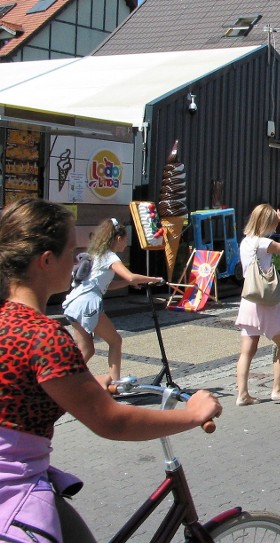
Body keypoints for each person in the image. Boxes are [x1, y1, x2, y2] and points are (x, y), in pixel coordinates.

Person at [0, 199, 221, 542]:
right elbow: (112, 422)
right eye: (70, 251)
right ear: (45, 261)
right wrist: (192, 415)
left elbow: (15, 401)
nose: (76, 260)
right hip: (13, 492)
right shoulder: (43, 337)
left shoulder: (7, 320)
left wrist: (85, 388)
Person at [62, 217, 163, 386]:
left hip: (74, 303)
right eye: (125, 240)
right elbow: (130, 275)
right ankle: (115, 382)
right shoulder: (110, 257)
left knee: (86, 349)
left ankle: (63, 379)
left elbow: (108, 285)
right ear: (117, 238)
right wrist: (154, 279)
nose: (125, 245)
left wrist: (129, 283)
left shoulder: (96, 254)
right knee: (115, 341)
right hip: (88, 304)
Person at [234, 204, 280, 406]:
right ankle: (278, 389)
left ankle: (242, 394)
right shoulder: (265, 243)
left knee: (247, 350)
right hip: (265, 302)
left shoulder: (246, 242)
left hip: (248, 299)